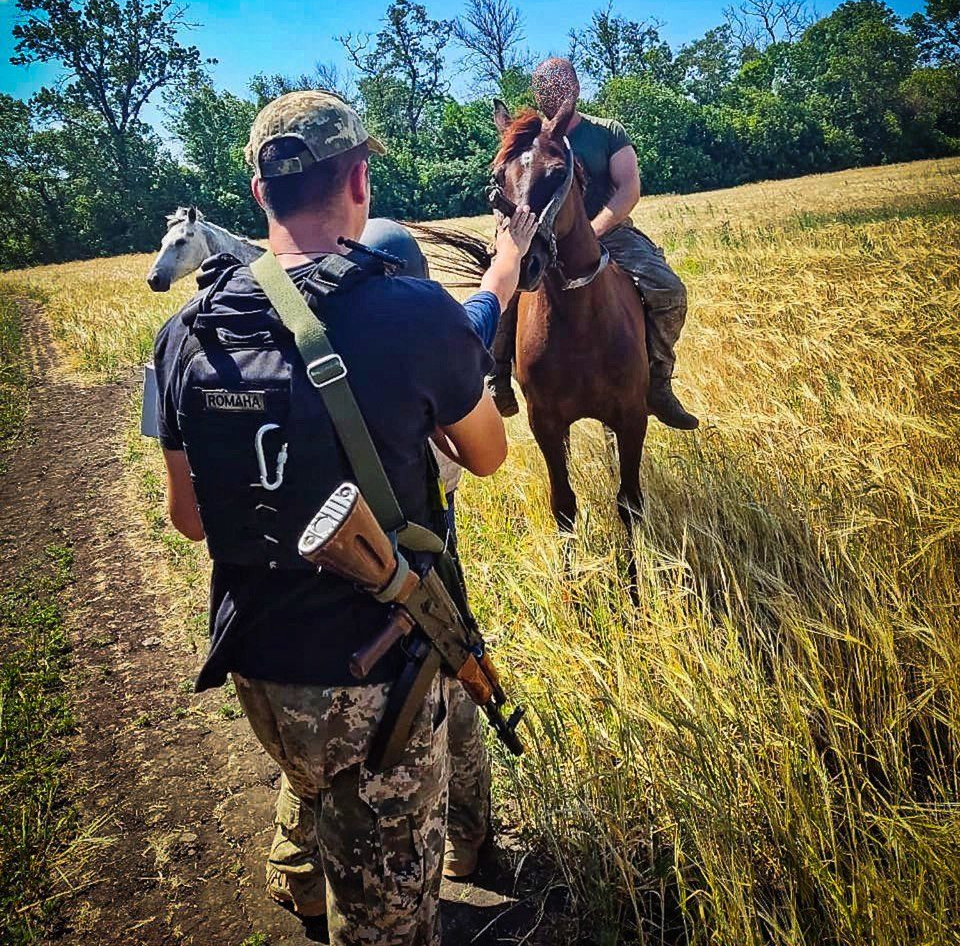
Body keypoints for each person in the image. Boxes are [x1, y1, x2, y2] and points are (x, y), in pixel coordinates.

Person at [153, 90, 509, 946]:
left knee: (310, 792)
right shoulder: (412, 311)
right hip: (377, 681)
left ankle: (300, 880)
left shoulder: (186, 332)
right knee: (385, 919)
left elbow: (189, 520)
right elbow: (489, 454)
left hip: (256, 669)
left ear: (256, 196)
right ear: (359, 177)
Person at [263, 210, 537, 906]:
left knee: (310, 763)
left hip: (304, 598)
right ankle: (471, 849)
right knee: (460, 708)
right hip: (414, 579)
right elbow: (491, 298)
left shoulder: (290, 348)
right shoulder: (426, 335)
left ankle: (298, 873)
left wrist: (507, 255)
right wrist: (511, 249)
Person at [490, 56, 700, 431]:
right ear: (537, 94)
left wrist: (593, 231)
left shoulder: (607, 133)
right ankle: (499, 378)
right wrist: (509, 233)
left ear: (575, 90)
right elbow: (508, 183)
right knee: (501, 292)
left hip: (610, 235)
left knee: (668, 290)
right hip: (539, 237)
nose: (553, 98)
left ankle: (658, 380)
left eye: (560, 90)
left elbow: (628, 188)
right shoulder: (530, 137)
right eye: (545, 91)